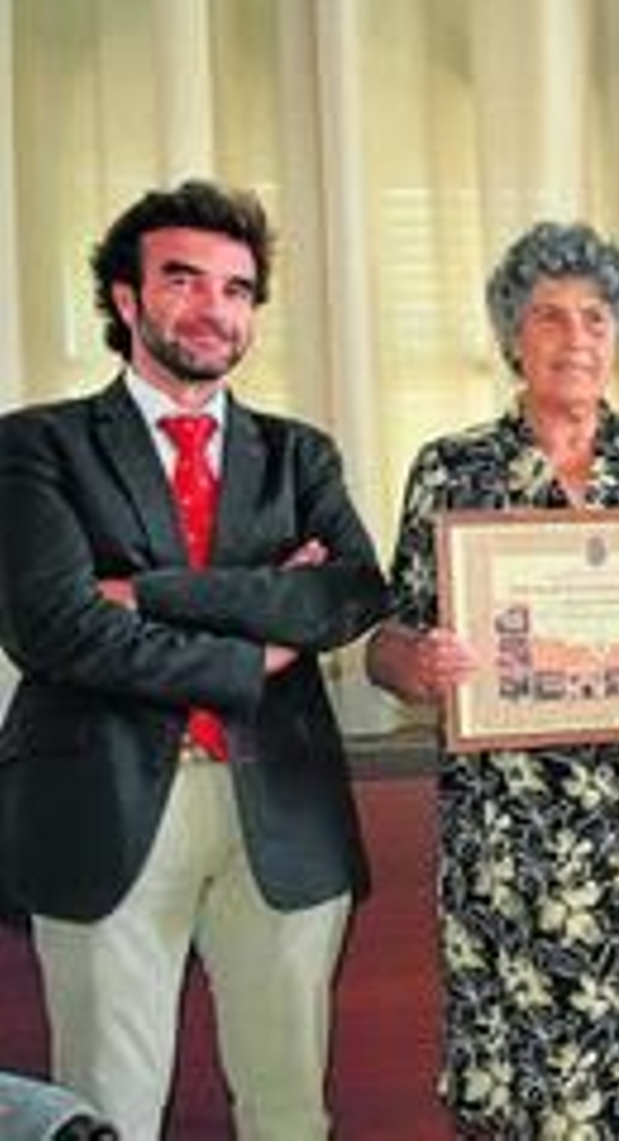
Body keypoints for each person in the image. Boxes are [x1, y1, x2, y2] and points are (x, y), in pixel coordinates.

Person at [0, 180, 388, 1140]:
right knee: (111, 1110)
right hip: (106, 807)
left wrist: (151, 590)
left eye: (238, 288)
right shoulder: (34, 446)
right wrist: (255, 650)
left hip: (284, 816)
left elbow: (346, 594)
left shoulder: (301, 455)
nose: (215, 308)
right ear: (127, 300)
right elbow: (55, 627)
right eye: (185, 280)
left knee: (291, 1108)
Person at [365, 220, 619, 1138]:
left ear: (618, 333)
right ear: (512, 335)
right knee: (528, 1092)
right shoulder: (451, 468)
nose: (574, 338)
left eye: (594, 317)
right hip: (515, 843)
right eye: (548, 317)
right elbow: (387, 636)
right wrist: (417, 663)